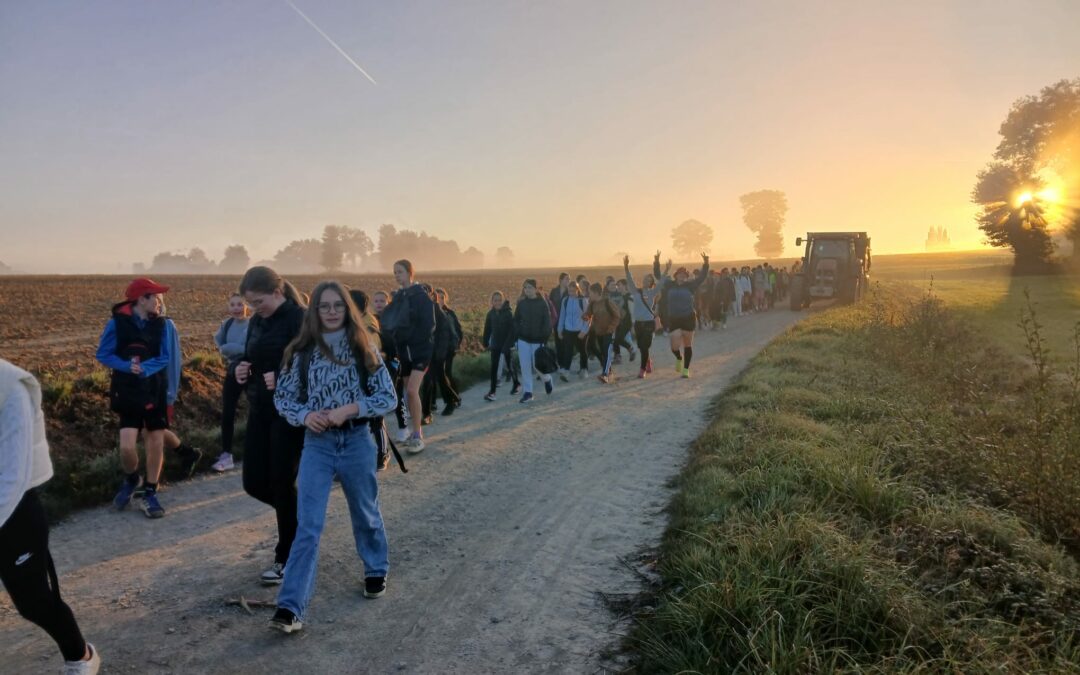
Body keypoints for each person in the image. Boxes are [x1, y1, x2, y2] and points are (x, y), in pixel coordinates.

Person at [268, 282, 397, 634]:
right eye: (323, 306)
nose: (330, 311)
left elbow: (388, 397)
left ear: (347, 309)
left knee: (365, 512)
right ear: (314, 311)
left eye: (337, 305)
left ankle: (375, 568)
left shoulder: (363, 348)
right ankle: (290, 607)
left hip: (356, 440)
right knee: (308, 525)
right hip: (317, 445)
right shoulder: (301, 352)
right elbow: (283, 399)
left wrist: (351, 409)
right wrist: (306, 416)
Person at [0, 358, 101, 674]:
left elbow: (14, 477)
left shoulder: (10, 387)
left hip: (14, 512)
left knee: (34, 603)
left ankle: (81, 656)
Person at [235, 266, 307, 585]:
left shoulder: (300, 319)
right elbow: (253, 358)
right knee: (253, 482)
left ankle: (287, 555)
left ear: (277, 293)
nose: (254, 309)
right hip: (261, 408)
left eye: (259, 301)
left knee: (280, 480)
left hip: (290, 412)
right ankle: (304, 523)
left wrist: (282, 376)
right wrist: (242, 369)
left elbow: (313, 365)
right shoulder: (257, 321)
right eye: (249, 303)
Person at [96, 277, 172, 518]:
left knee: (155, 440)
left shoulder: (164, 325)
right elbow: (103, 354)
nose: (160, 301)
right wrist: (127, 366)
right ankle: (132, 479)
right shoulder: (116, 324)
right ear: (142, 299)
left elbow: (166, 356)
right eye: (156, 297)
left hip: (155, 388)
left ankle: (149, 492)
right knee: (127, 446)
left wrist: (146, 369)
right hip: (127, 389)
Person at [387, 260, 435, 453]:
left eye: (399, 272)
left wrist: (412, 338)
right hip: (403, 352)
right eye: (394, 272)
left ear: (409, 273)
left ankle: (417, 435)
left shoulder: (422, 296)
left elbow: (429, 324)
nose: (397, 276)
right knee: (408, 392)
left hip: (421, 351)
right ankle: (414, 429)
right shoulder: (398, 297)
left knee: (413, 391)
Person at [655, 252, 709, 378]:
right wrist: (657, 261)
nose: (682, 276)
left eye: (684, 275)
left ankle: (686, 369)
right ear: (676, 275)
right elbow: (658, 276)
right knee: (674, 346)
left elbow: (701, 277)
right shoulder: (669, 284)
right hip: (674, 319)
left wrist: (706, 263)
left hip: (688, 318)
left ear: (686, 276)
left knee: (687, 345)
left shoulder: (690, 286)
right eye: (680, 274)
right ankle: (679, 358)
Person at [212, 293, 249, 472]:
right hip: (232, 371)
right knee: (227, 411)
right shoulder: (226, 325)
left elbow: (246, 349)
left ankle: (258, 450)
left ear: (246, 306)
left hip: (250, 371)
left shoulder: (251, 325)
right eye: (233, 305)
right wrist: (227, 349)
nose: (236, 308)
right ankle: (227, 454)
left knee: (257, 410)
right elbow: (219, 344)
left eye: (240, 304)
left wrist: (228, 348)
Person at [513, 279, 553, 403]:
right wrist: (517, 335)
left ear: (536, 289)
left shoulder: (542, 303)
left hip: (538, 340)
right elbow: (516, 320)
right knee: (525, 367)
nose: (527, 290)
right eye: (525, 288)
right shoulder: (521, 303)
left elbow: (547, 322)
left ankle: (547, 379)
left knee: (538, 367)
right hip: (523, 340)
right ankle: (528, 393)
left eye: (530, 287)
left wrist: (544, 338)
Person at [624, 255, 661, 378]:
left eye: (648, 280)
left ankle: (642, 369)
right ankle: (648, 361)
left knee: (644, 346)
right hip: (638, 324)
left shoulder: (652, 292)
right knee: (641, 347)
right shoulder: (636, 291)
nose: (646, 280)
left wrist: (665, 271)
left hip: (649, 323)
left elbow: (661, 284)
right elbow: (629, 280)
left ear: (651, 283)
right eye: (645, 278)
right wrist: (626, 267)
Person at [482, 291, 519, 401]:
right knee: (494, 368)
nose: (497, 302)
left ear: (503, 301)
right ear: (492, 302)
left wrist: (508, 345)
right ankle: (492, 392)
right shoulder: (490, 314)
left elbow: (512, 331)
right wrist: (485, 342)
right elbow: (487, 329)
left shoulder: (508, 313)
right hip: (495, 345)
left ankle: (516, 384)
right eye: (495, 300)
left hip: (506, 344)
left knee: (510, 366)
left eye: (499, 300)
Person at [582, 282, 621, 383]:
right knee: (603, 353)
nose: (589, 294)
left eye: (590, 292)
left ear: (596, 293)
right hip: (598, 332)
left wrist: (611, 328)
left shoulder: (608, 302)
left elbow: (617, 316)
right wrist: (585, 316)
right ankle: (609, 372)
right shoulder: (592, 303)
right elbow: (588, 314)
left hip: (609, 332)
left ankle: (605, 374)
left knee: (606, 351)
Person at [434, 288, 463, 416]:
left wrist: (456, 345)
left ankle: (454, 399)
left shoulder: (449, 313)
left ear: (445, 299)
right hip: (438, 349)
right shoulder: (433, 312)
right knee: (442, 374)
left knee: (446, 373)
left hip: (449, 349)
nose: (439, 299)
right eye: (437, 297)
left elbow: (458, 330)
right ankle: (455, 397)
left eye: (442, 297)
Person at [556, 281, 589, 380]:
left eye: (573, 291)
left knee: (582, 350)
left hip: (580, 330)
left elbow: (588, 317)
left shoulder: (583, 301)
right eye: (569, 291)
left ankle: (584, 369)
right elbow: (562, 315)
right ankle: (566, 371)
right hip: (568, 330)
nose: (571, 293)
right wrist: (559, 329)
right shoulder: (565, 300)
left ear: (577, 290)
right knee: (568, 351)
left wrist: (584, 331)